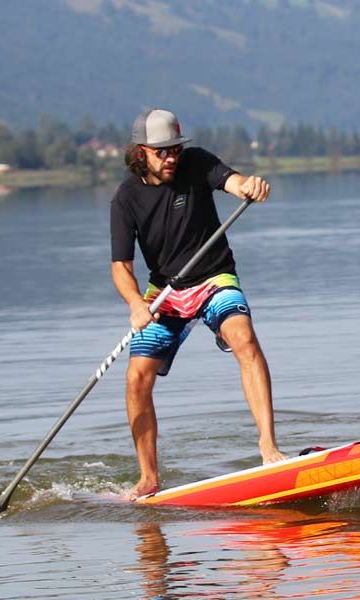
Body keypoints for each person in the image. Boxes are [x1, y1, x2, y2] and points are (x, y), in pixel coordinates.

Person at [109, 108, 287, 500]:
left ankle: (269, 449)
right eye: (162, 152)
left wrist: (249, 187)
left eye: (174, 148)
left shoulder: (197, 162)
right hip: (165, 294)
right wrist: (137, 304)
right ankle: (149, 477)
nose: (172, 157)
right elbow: (121, 266)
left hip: (214, 277)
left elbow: (233, 182)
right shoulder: (126, 199)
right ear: (141, 152)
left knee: (244, 339)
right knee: (137, 376)